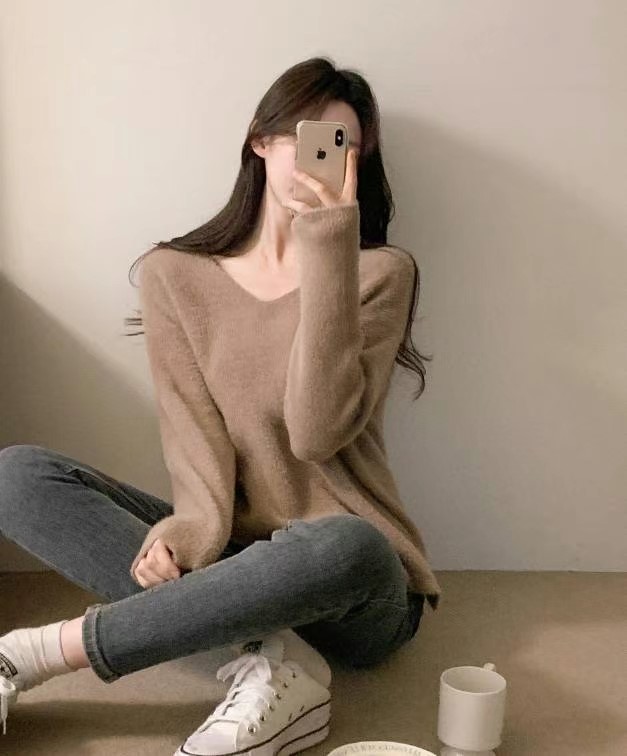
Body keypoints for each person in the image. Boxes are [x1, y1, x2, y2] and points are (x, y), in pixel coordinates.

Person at [0, 56, 441, 755]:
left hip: (352, 584)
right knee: (17, 475)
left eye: (344, 146)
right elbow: (193, 439)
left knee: (348, 543)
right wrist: (186, 535)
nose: (322, 158)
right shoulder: (174, 275)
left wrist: (328, 243)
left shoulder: (380, 271)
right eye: (304, 135)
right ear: (260, 139)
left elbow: (315, 434)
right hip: (232, 555)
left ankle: (37, 652)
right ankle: (275, 656)